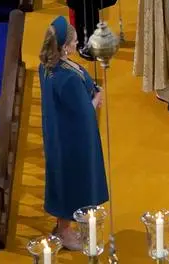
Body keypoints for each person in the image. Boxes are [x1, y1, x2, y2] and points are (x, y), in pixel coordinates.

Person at [38, 16, 108, 250]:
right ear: (65, 47)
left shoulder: (47, 65)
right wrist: (97, 98)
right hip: (73, 139)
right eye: (75, 41)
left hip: (58, 134)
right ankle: (65, 231)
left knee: (63, 179)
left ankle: (63, 226)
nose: (78, 45)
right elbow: (84, 113)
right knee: (73, 183)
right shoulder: (66, 78)